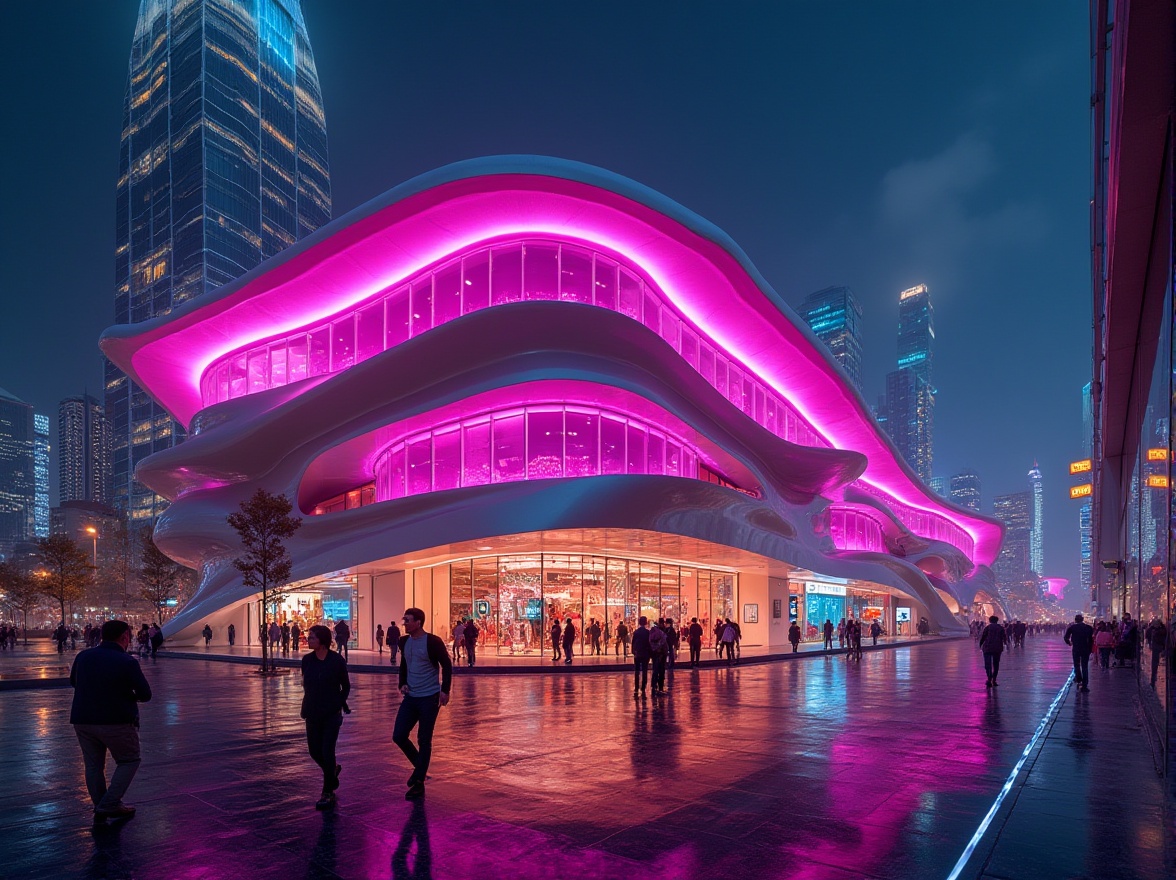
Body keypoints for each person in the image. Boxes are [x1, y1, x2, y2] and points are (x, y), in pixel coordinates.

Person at [69, 620, 152, 823]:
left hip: (83, 719)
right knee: (129, 760)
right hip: (116, 720)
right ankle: (110, 802)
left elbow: (73, 682)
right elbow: (145, 693)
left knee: (93, 765)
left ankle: (101, 804)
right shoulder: (126, 661)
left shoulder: (83, 656)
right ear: (124, 636)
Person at [394, 608, 453, 800]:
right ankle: (420, 768)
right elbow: (404, 664)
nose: (405, 623)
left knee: (424, 738)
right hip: (411, 697)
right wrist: (402, 682)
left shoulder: (432, 642)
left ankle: (418, 781)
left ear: (418, 622)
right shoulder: (405, 642)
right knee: (399, 735)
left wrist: (445, 690)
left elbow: (447, 664)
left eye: (408, 620)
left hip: (429, 697)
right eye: (404, 620)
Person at [301, 625, 350, 810]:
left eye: (312, 637)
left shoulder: (336, 661)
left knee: (327, 750)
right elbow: (305, 683)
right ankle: (332, 772)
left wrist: (337, 703)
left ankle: (327, 791)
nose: (309, 639)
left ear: (322, 640)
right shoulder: (307, 660)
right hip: (312, 711)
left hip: (331, 713)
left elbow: (345, 686)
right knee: (315, 751)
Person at [1064, 613, 1095, 692]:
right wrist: (1090, 649)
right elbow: (1091, 640)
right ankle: (1085, 684)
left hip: (1076, 648)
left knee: (1076, 665)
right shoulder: (1088, 628)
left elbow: (1066, 637)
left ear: (1075, 620)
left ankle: (1079, 679)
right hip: (1085, 648)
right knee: (1084, 666)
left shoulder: (1072, 627)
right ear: (1082, 619)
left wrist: (1069, 643)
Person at [978, 615, 1007, 687]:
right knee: (996, 664)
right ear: (997, 620)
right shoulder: (1001, 628)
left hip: (987, 648)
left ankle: (989, 679)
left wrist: (980, 644)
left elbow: (983, 637)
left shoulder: (987, 628)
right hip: (997, 648)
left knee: (988, 664)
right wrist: (1006, 644)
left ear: (990, 620)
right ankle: (994, 680)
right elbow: (1004, 638)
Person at [631, 616, 652, 698]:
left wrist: (634, 652)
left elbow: (633, 643)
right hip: (645, 653)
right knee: (644, 670)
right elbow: (649, 643)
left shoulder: (636, 632)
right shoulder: (648, 632)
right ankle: (643, 687)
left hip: (638, 653)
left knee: (637, 671)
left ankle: (636, 687)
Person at [1145, 617, 1168, 688]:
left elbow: (1147, 634)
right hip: (1159, 647)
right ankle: (1153, 677)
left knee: (1155, 663)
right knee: (1155, 663)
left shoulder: (1156, 631)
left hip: (1157, 647)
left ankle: (1153, 678)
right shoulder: (1161, 630)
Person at [649, 619, 668, 692]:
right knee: (661, 670)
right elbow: (665, 644)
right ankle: (660, 686)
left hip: (655, 653)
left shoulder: (651, 633)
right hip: (662, 654)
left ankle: (654, 685)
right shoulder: (662, 633)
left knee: (655, 669)